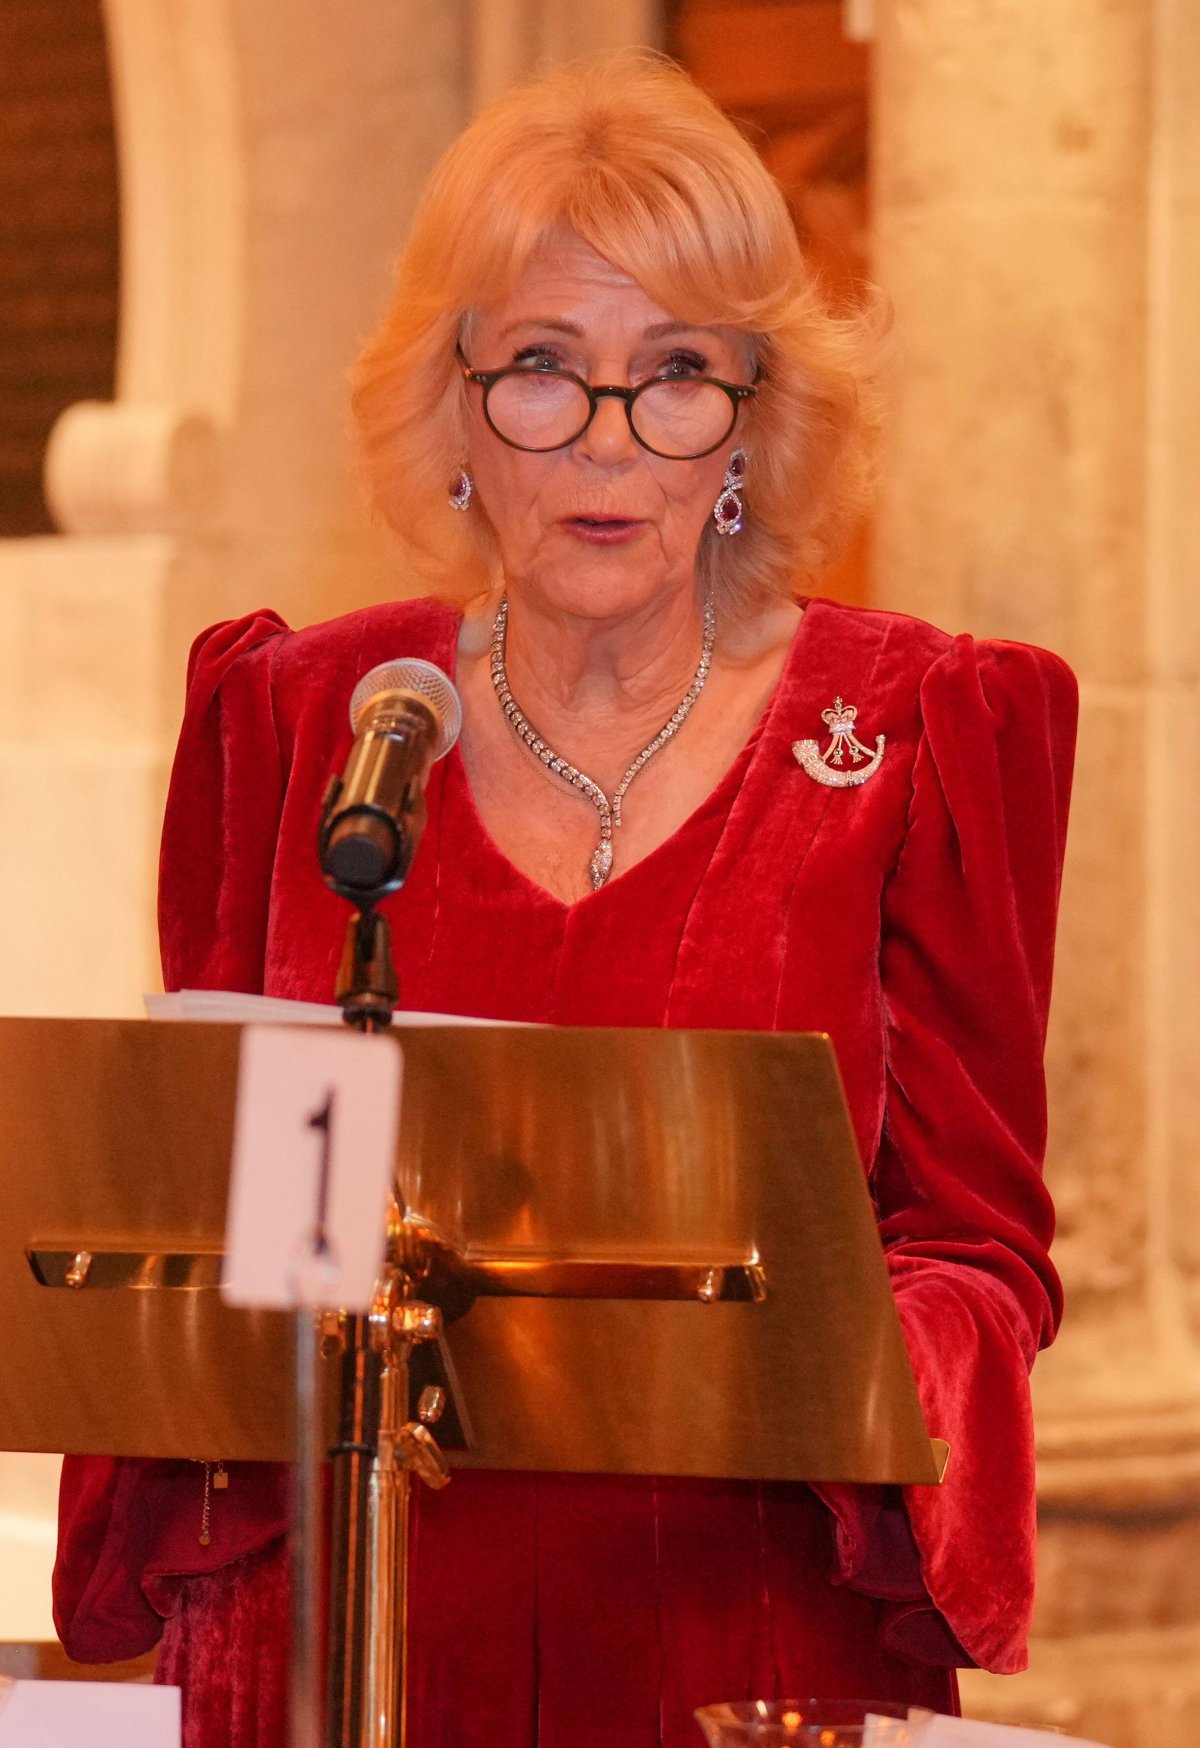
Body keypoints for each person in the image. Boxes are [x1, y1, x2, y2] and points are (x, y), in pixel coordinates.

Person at [53, 53, 1077, 1748]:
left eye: (676, 375)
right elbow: (222, 1212)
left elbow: (978, 1250)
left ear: (755, 416)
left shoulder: (912, 737)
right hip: (352, 1636)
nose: (609, 442)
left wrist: (844, 1350)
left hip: (739, 1649)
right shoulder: (311, 723)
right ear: (454, 408)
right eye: (542, 367)